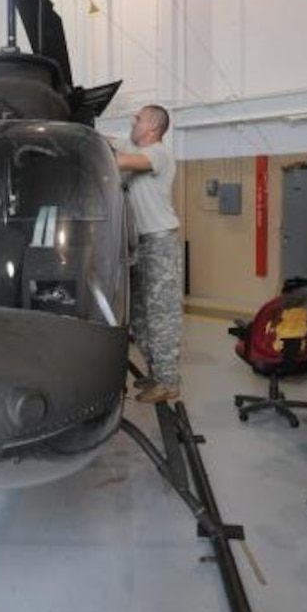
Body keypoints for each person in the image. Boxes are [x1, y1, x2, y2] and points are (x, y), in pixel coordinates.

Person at [109, 104, 183, 403]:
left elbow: (119, 161)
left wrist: (96, 151)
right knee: (140, 315)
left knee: (161, 315)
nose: (133, 120)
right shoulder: (134, 144)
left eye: (138, 118)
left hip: (160, 242)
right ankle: (156, 372)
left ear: (152, 127)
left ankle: (169, 382)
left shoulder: (157, 153)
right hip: (138, 243)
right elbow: (111, 143)